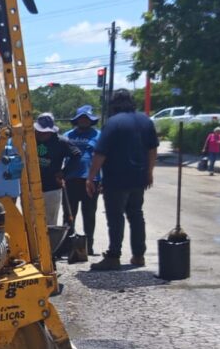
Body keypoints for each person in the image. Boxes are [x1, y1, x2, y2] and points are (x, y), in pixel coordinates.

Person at [87, 89, 159, 270]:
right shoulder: (145, 120)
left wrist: (91, 177)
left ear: (114, 105)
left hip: (116, 180)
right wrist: (150, 172)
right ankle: (138, 255)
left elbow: (100, 153)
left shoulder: (113, 123)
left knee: (115, 217)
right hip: (139, 178)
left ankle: (113, 255)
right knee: (136, 214)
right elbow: (152, 149)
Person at [62, 105, 101, 255]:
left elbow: (103, 157)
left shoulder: (98, 135)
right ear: (76, 120)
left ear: (91, 120)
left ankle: (88, 246)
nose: (83, 121)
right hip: (71, 179)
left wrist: (102, 180)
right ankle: (67, 246)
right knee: (69, 215)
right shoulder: (68, 135)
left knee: (89, 214)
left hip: (92, 180)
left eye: (86, 118)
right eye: (81, 118)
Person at [33, 112, 82, 226]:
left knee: (50, 223)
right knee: (32, 223)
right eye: (39, 131)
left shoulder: (61, 141)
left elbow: (77, 155)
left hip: (52, 188)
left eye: (45, 132)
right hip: (32, 188)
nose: (41, 134)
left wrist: (64, 172)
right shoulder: (31, 139)